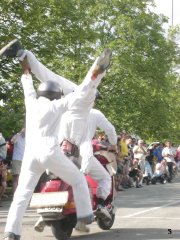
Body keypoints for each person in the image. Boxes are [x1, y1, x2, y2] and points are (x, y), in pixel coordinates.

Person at [0, 40, 112, 240]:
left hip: (31, 156)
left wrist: (24, 64)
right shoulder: (63, 106)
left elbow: (32, 81)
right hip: (56, 152)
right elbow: (82, 92)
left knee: (21, 194)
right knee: (80, 180)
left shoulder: (31, 103)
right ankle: (86, 215)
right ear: (56, 96)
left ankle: (11, 232)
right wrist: (96, 75)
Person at [11, 128, 26, 195]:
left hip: (25, 160)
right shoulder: (17, 136)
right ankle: (15, 196)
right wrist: (18, 134)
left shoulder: (28, 138)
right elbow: (12, 141)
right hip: (16, 159)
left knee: (23, 178)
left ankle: (21, 195)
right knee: (16, 178)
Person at [0, 132, 8, 206]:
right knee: (3, 183)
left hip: (2, 163)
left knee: (4, 184)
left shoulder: (1, 137)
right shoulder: (1, 138)